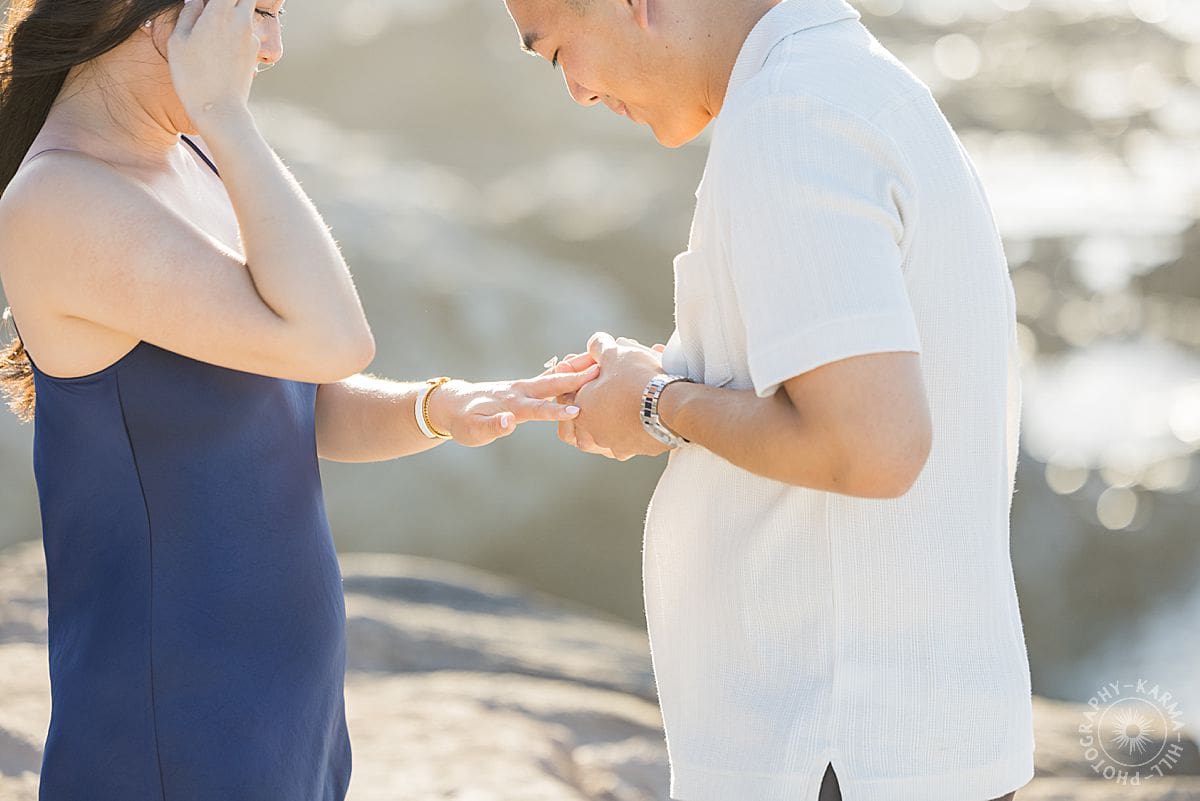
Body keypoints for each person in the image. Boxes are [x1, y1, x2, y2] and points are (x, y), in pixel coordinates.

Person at [0, 0, 595, 798]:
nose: (273, 48)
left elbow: (292, 401)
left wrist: (439, 407)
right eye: (262, 11)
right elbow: (335, 336)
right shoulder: (57, 200)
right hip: (172, 724)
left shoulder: (186, 161)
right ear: (156, 19)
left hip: (281, 714)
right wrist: (222, 113)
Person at [512, 0, 1035, 799]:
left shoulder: (789, 118)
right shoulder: (854, 82)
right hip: (904, 736)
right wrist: (659, 378)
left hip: (834, 746)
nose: (577, 92)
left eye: (554, 52)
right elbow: (848, 381)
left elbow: (871, 447)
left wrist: (658, 403)